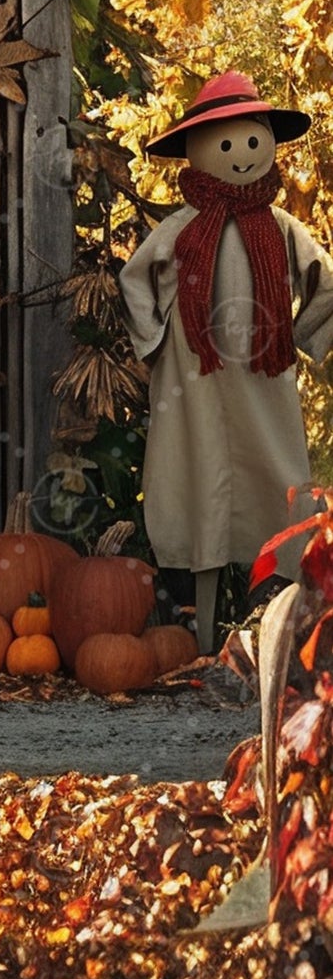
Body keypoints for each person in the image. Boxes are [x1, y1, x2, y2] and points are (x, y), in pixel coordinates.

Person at [121, 72, 333, 650]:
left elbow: (325, 281)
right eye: (226, 144)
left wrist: (306, 337)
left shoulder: (281, 228)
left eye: (249, 141)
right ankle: (205, 626)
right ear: (198, 149)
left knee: (277, 476)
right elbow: (135, 280)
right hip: (197, 379)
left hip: (266, 375)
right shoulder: (182, 231)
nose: (240, 155)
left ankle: (281, 619)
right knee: (198, 474)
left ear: (267, 142)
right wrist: (160, 340)